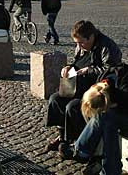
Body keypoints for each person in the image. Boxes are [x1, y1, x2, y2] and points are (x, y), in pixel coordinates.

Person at [58, 64, 128, 175]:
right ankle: (108, 169)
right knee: (107, 121)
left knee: (105, 117)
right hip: (126, 111)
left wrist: (116, 104)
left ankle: (82, 153)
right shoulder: (104, 78)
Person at [46, 20, 122, 152]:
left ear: (91, 37)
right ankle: (63, 137)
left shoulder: (107, 47)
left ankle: (81, 143)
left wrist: (88, 70)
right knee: (55, 99)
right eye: (77, 43)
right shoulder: (82, 46)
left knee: (73, 107)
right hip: (78, 85)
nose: (79, 46)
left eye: (81, 42)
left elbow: (111, 70)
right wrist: (69, 67)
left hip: (96, 91)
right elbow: (77, 62)